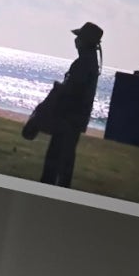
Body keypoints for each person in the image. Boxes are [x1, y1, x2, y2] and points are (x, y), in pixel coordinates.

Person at [40, 21, 103, 188]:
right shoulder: (90, 62)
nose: (76, 41)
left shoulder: (83, 63)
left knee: (56, 158)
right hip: (75, 119)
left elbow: (73, 90)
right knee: (65, 158)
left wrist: (58, 90)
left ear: (85, 41)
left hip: (69, 118)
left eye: (79, 38)